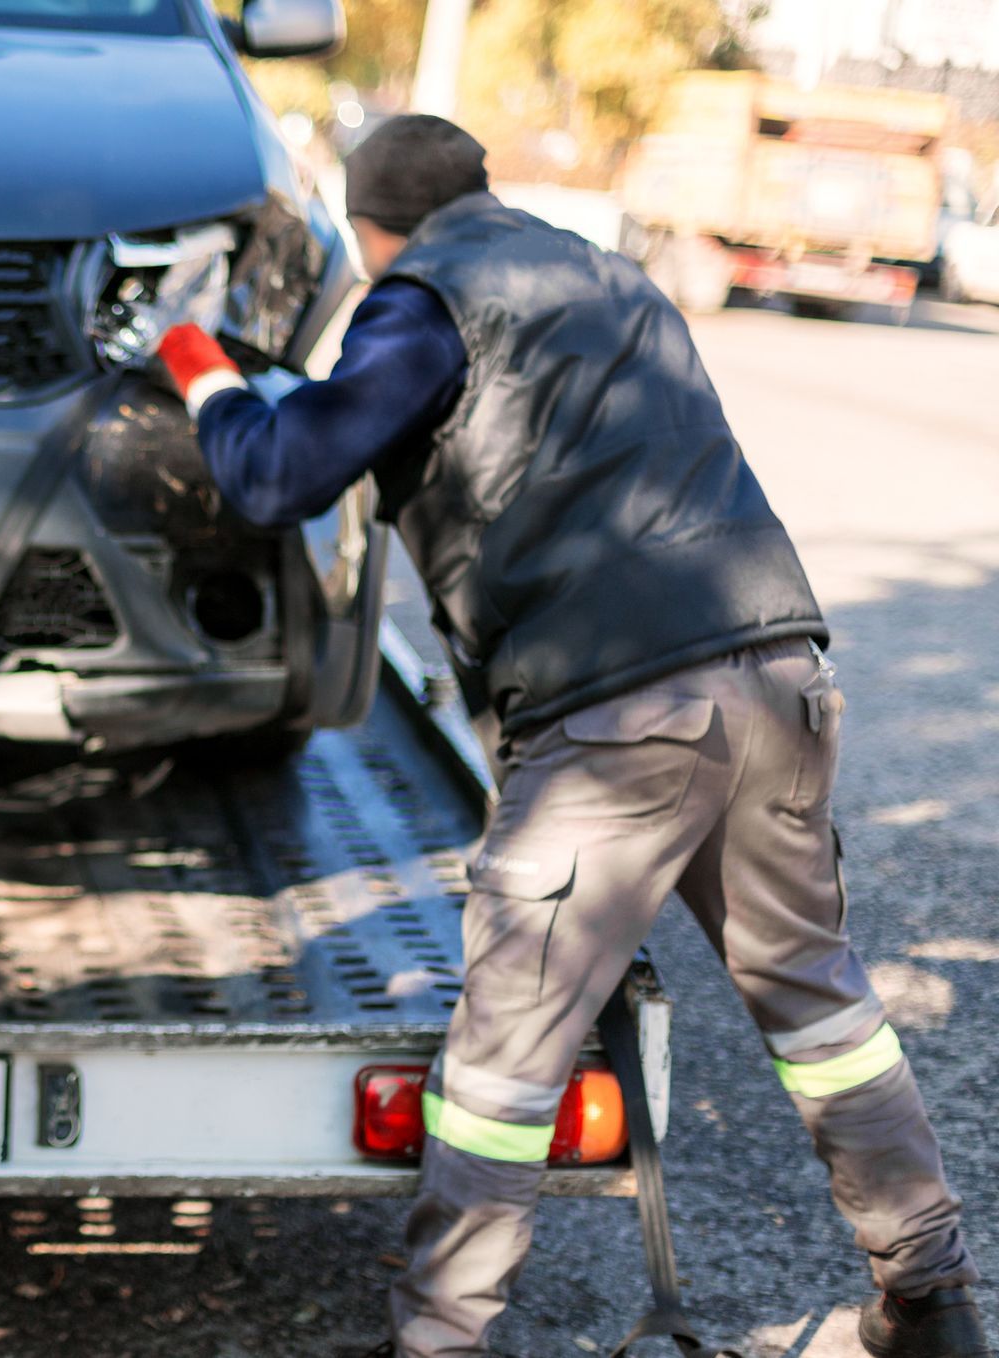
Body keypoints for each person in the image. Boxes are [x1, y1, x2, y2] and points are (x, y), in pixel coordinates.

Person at [150, 115, 985, 1358]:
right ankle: (934, 1299)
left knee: (504, 1056)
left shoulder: (424, 295)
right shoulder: (612, 275)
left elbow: (282, 474)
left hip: (621, 718)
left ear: (376, 232)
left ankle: (436, 1338)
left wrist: (193, 361)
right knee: (821, 1006)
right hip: (780, 672)